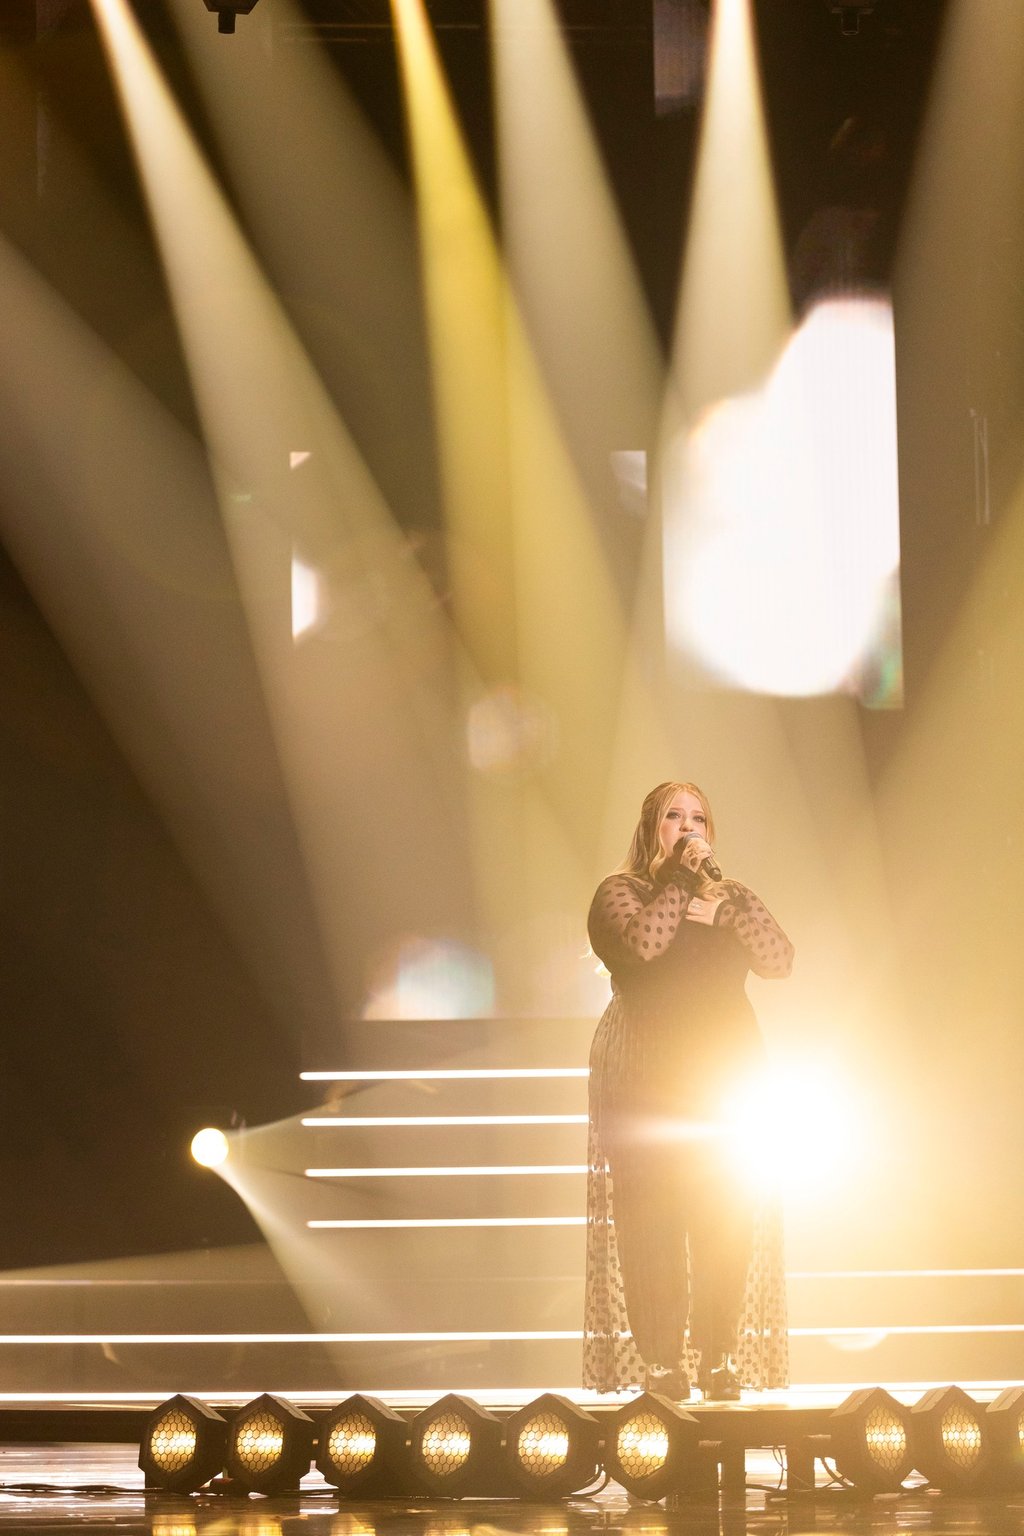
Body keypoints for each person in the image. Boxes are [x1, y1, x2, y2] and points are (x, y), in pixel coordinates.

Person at [583, 780, 794, 1402]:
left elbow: (780, 960)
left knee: (725, 1220)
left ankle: (720, 1356)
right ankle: (662, 1365)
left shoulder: (730, 895)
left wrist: (724, 911)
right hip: (647, 1080)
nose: (688, 828)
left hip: (724, 1079)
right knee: (652, 1226)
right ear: (652, 827)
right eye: (674, 817)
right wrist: (678, 881)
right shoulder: (620, 893)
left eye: (698, 818)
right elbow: (643, 949)